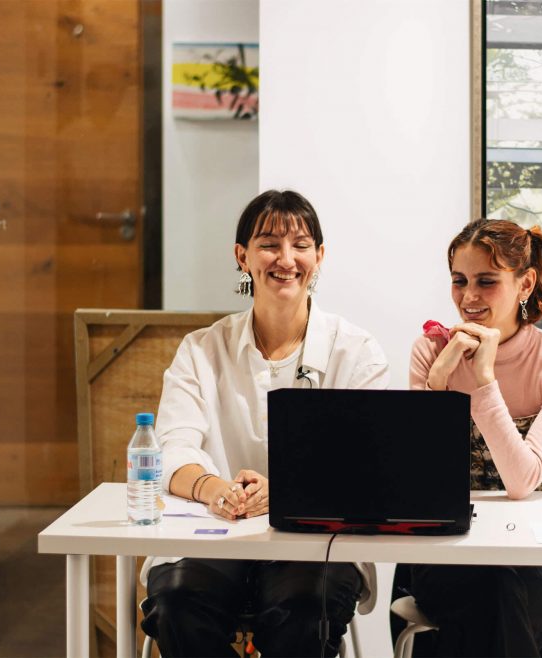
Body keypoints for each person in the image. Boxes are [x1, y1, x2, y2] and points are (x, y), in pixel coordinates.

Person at [141, 190, 390, 658]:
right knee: (176, 603)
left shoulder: (356, 352)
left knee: (304, 608)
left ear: (319, 256)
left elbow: (364, 464)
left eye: (301, 245)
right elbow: (172, 449)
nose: (286, 259)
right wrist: (216, 488)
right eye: (270, 244)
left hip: (313, 542)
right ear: (243, 256)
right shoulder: (201, 350)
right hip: (211, 538)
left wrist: (288, 493)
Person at [405, 219, 542, 657]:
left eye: (486, 281)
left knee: (500, 590)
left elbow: (522, 481)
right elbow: (420, 475)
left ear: (524, 283)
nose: (469, 297)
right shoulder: (431, 351)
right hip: (451, 548)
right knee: (492, 591)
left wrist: (483, 381)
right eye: (459, 281)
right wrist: (439, 381)